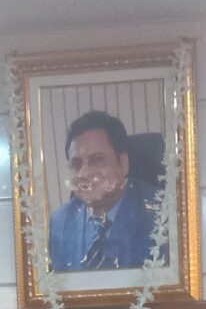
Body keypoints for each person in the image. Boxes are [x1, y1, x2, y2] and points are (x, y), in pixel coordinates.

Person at [47, 110, 162, 273]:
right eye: (77, 164)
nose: (84, 174)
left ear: (123, 163)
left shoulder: (162, 216)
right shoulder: (59, 224)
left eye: (97, 160)